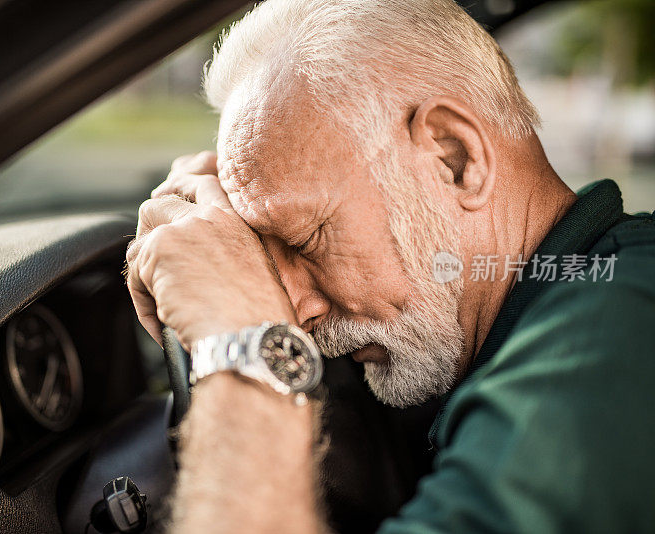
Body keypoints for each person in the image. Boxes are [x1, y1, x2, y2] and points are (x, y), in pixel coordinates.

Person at [124, 0, 655, 532]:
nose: (297, 312)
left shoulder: (615, 332)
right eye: (266, 256)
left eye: (307, 240)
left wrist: (237, 334)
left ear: (454, 159)